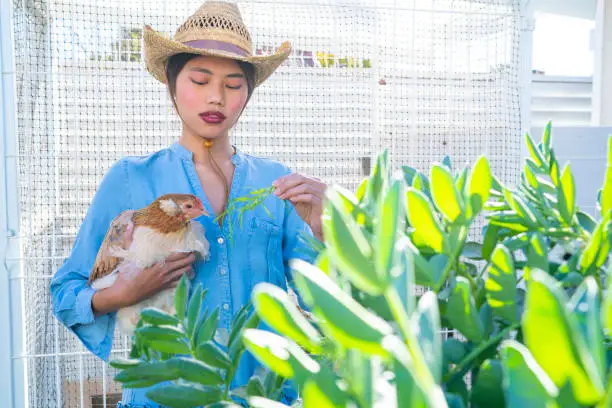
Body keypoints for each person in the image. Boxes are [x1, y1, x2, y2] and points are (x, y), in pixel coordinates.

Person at [50, 1, 326, 406]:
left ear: (247, 94)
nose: (216, 97)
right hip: (164, 395)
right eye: (199, 80)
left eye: (233, 85)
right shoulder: (131, 178)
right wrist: (121, 293)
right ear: (170, 81)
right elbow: (66, 290)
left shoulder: (276, 185)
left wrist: (325, 229)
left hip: (260, 394)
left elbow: (321, 297)